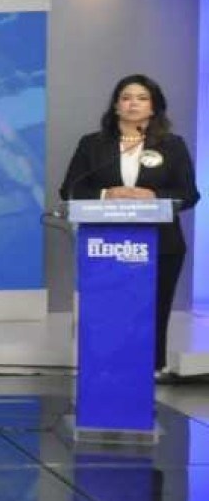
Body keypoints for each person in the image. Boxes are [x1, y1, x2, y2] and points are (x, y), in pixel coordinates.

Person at [58, 74, 200, 377]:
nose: (133, 103)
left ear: (154, 106)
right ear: (115, 106)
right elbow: (71, 190)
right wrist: (106, 193)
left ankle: (150, 370)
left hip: (162, 245)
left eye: (141, 97)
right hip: (105, 244)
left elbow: (189, 195)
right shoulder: (92, 144)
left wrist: (153, 195)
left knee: (152, 312)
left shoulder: (172, 146)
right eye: (126, 97)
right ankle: (102, 372)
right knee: (110, 313)